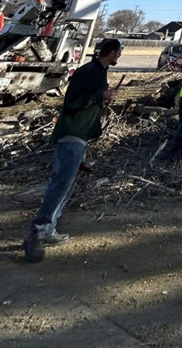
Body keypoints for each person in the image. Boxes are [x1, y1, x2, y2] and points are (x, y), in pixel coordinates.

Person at [23, 37, 123, 263]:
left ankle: (49, 230)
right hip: (71, 135)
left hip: (81, 136)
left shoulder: (99, 72)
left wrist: (101, 98)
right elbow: (72, 101)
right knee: (60, 185)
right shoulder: (88, 71)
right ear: (112, 52)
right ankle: (37, 234)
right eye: (118, 53)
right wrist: (101, 96)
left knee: (66, 187)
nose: (119, 57)